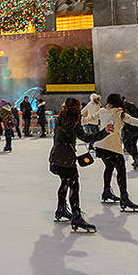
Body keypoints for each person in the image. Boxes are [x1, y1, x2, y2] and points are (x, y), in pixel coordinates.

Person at [49, 98, 113, 232]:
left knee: (64, 182)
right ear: (76, 108)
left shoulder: (59, 119)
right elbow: (86, 138)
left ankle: (61, 210)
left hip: (55, 157)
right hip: (67, 159)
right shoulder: (73, 121)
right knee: (74, 186)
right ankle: (76, 216)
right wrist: (104, 132)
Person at [95, 94, 138, 212]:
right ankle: (124, 198)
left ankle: (106, 192)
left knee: (108, 167)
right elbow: (130, 120)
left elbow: (91, 119)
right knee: (121, 172)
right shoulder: (119, 112)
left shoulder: (102, 111)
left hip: (100, 145)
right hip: (112, 146)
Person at [122, 96, 138, 170]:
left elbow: (127, 119)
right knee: (133, 144)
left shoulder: (122, 108)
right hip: (137, 127)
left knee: (127, 145)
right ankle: (136, 160)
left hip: (129, 129)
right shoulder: (132, 105)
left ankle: (137, 159)